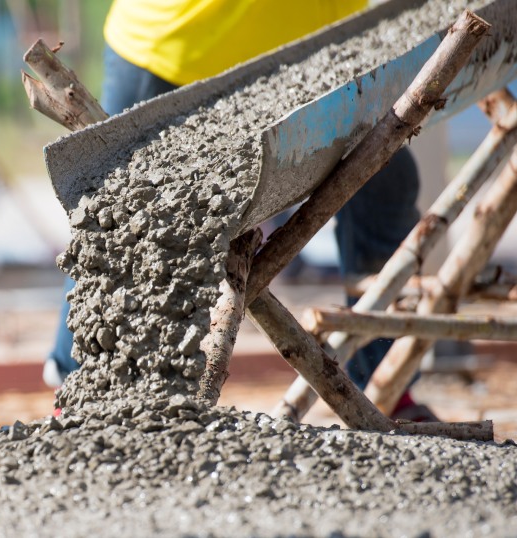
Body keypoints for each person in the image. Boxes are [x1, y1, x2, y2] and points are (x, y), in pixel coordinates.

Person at [42, 0, 437, 422]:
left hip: (320, 53)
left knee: (385, 186)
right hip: (175, 48)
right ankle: (84, 388)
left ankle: (385, 385)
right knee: (123, 222)